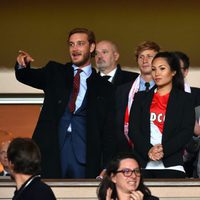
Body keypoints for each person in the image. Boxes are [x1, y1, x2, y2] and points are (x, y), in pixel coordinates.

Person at [15, 28, 116, 179]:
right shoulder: (55, 72)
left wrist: (108, 164)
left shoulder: (104, 87)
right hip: (52, 151)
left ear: (92, 47)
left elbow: (109, 131)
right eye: (71, 44)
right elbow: (27, 76)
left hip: (85, 155)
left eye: (80, 44)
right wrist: (23, 65)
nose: (75, 49)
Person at [129, 51, 195, 178]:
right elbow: (133, 130)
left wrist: (163, 150)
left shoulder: (185, 99)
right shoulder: (140, 97)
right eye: (153, 69)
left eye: (162, 68)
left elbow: (186, 132)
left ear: (174, 72)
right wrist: (149, 150)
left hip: (172, 165)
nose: (157, 73)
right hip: (143, 164)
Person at [115, 41, 160, 153]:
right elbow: (116, 124)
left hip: (160, 151)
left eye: (149, 56)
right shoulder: (122, 90)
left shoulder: (168, 89)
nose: (145, 60)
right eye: (141, 57)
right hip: (128, 151)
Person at [174, 51, 200, 177]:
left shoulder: (198, 96)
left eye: (177, 69)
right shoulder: (152, 97)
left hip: (193, 166)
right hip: (162, 162)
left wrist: (197, 132)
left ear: (186, 71)